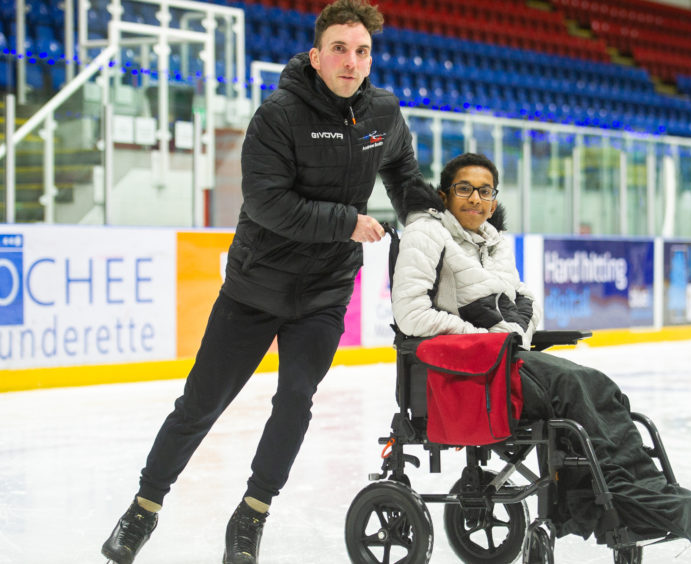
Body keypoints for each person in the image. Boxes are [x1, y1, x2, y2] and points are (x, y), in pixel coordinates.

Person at [101, 1, 441, 563]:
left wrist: (430, 224)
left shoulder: (382, 113)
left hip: (326, 293)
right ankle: (143, 507)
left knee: (295, 402)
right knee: (200, 405)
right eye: (340, 49)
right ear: (316, 55)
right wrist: (348, 223)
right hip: (256, 288)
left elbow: (404, 174)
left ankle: (251, 514)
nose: (351, 61)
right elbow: (266, 203)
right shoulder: (279, 113)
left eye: (362, 52)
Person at [390, 153, 691, 547]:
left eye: (485, 191)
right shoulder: (427, 233)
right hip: (464, 366)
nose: (475, 198)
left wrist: (511, 334)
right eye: (464, 189)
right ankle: (625, 504)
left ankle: (637, 496)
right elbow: (410, 314)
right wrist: (481, 336)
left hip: (503, 358)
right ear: (444, 195)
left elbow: (522, 300)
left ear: (494, 200)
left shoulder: (494, 242)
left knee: (597, 386)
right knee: (575, 386)